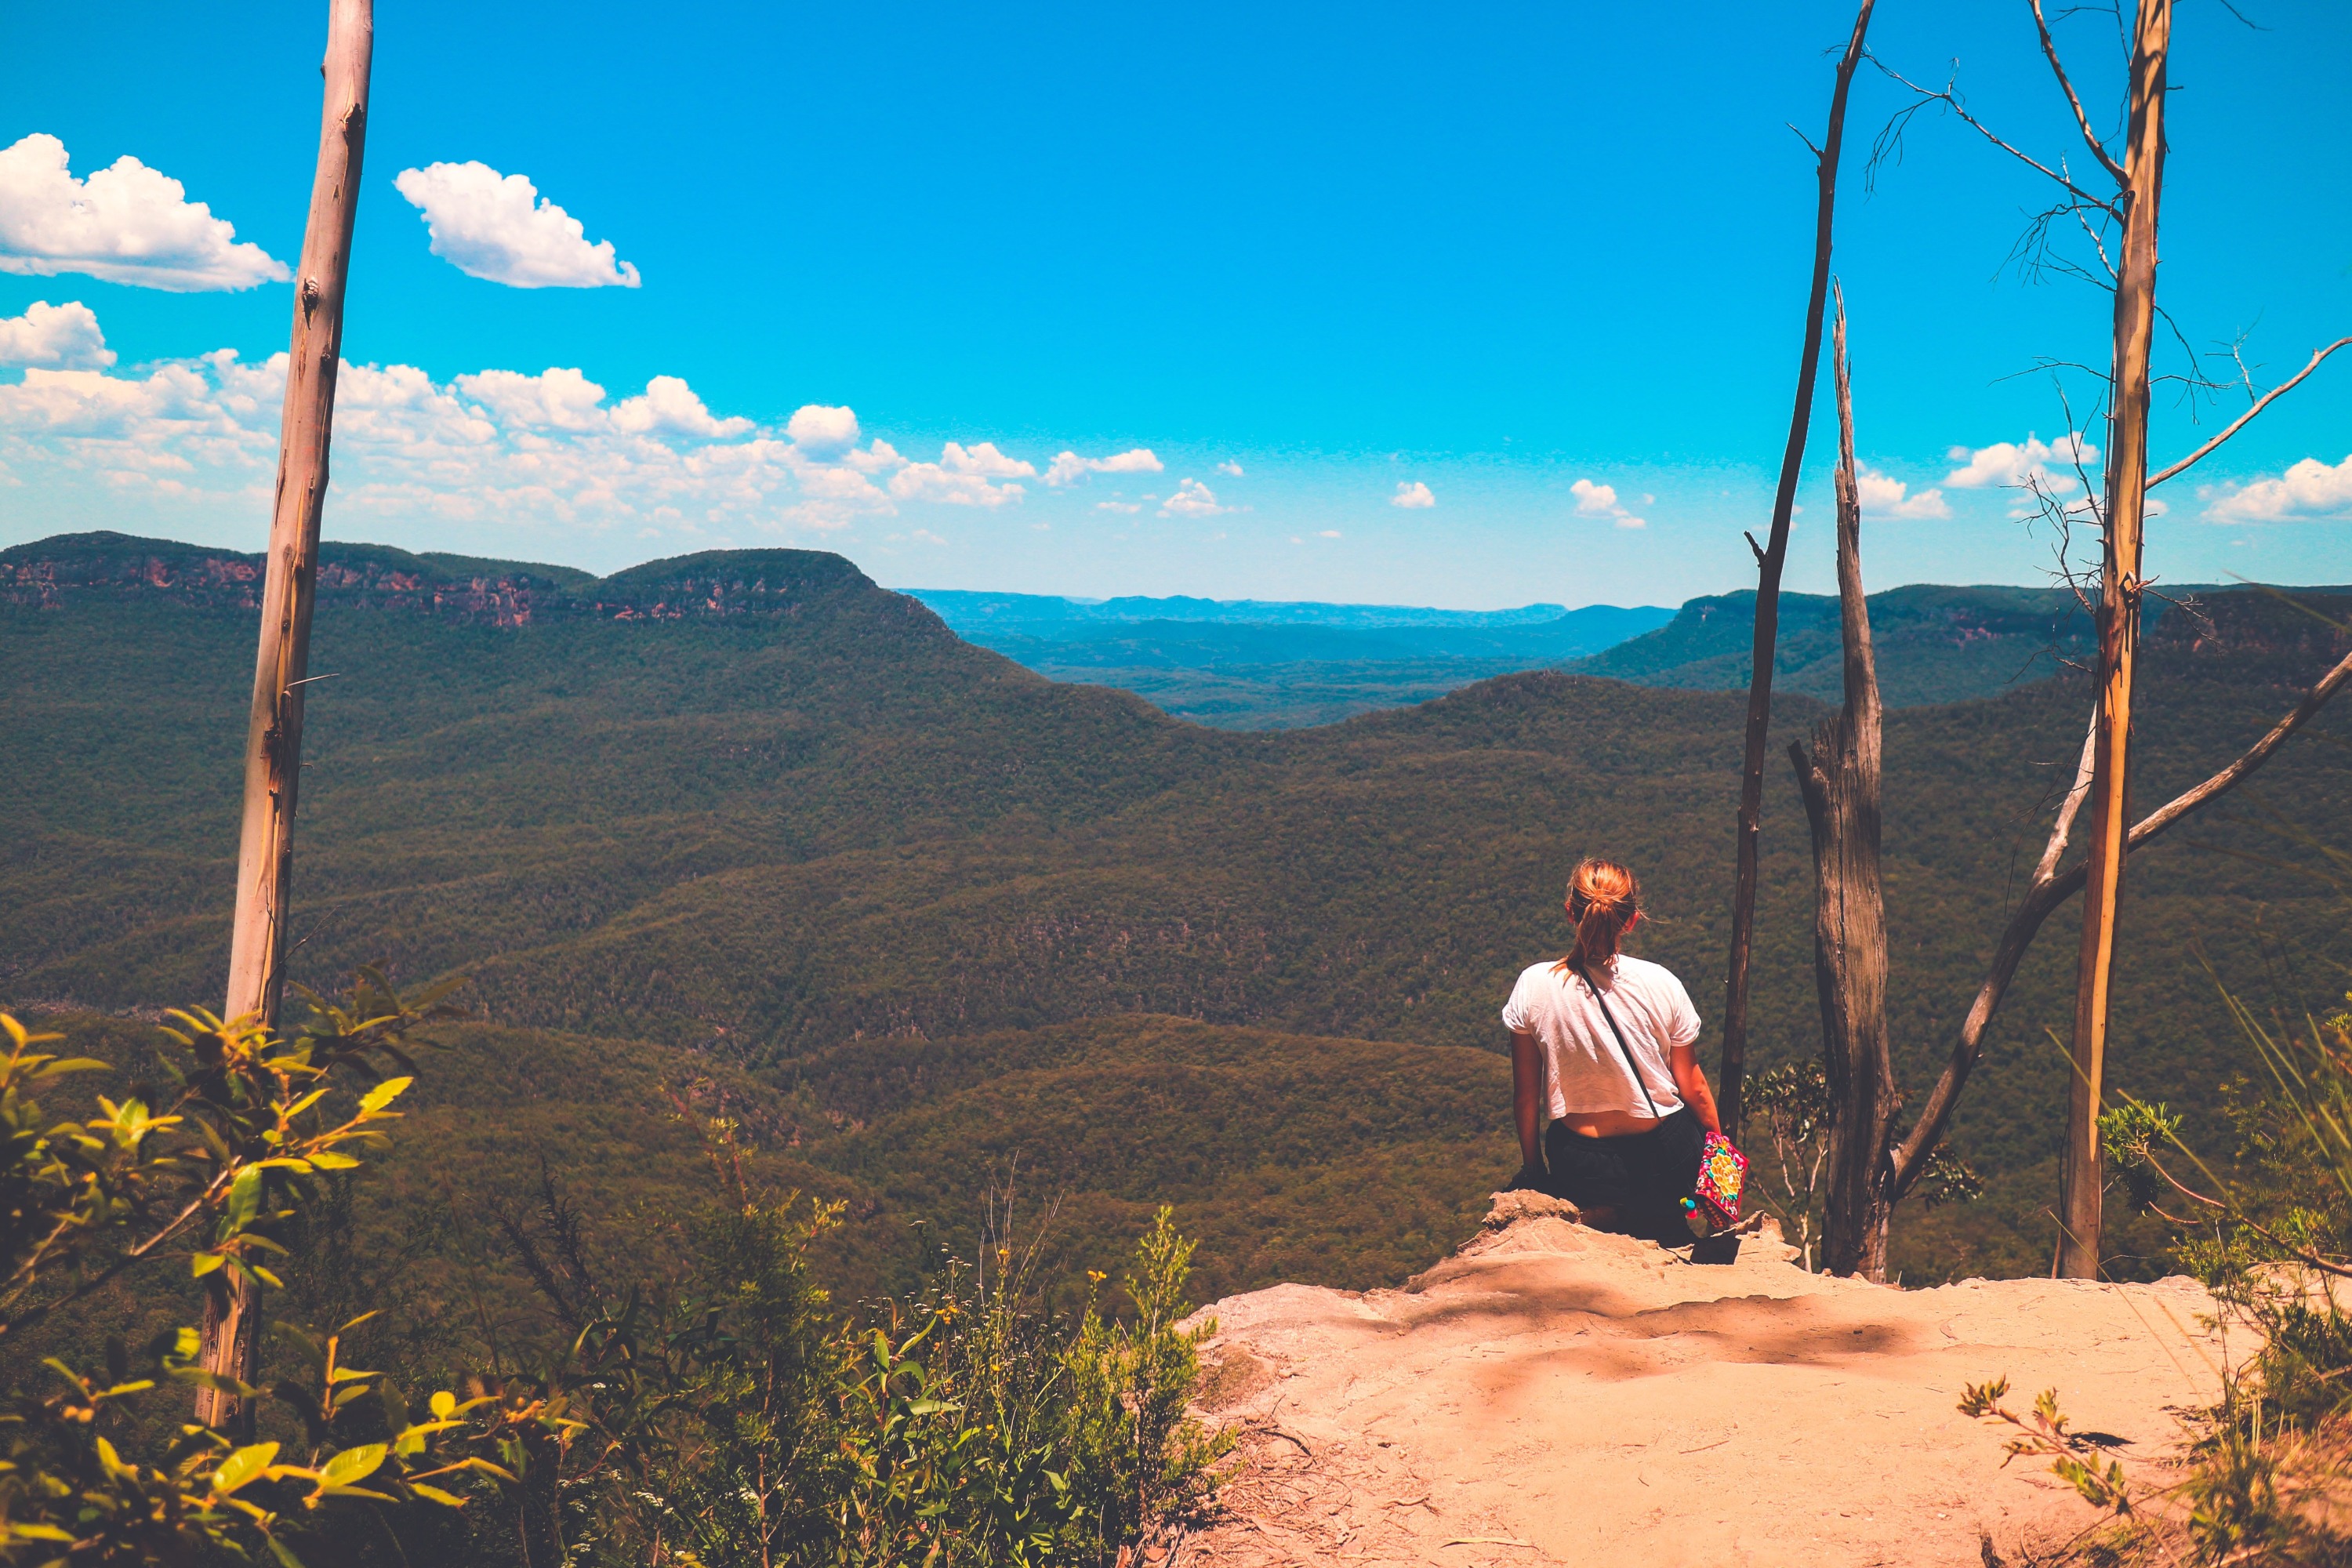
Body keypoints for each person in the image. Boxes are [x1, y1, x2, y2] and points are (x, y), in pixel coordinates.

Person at [1501, 857, 1722, 1240]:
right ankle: (1662, 1216)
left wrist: (1534, 1169)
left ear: (1571, 913)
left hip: (1582, 1159)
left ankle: (1608, 1213)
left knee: (1594, 1189)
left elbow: (1525, 1098)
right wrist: (1718, 1159)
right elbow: (1695, 1089)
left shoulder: (1533, 985)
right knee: (1667, 1216)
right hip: (1665, 1152)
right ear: (1632, 920)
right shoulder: (1662, 982)